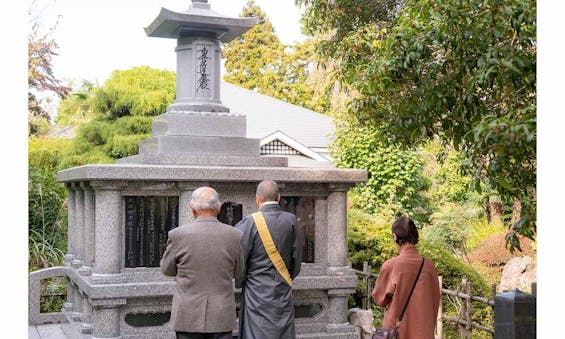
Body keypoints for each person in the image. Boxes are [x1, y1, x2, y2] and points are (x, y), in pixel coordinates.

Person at [160, 186, 244, 339]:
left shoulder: (178, 235)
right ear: (219, 208)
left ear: (192, 208)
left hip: (188, 316)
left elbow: (167, 270)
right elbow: (238, 272)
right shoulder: (234, 235)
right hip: (221, 315)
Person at [235, 180, 303, 339]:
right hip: (282, 288)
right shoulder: (291, 220)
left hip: (255, 291)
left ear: (257, 199)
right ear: (278, 198)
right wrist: (285, 278)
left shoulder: (249, 222)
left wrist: (241, 282)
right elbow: (296, 259)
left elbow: (240, 260)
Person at [371, 216, 440, 339]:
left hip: (397, 333)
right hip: (424, 333)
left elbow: (380, 299)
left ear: (395, 237)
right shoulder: (430, 267)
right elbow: (435, 301)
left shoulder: (391, 266)